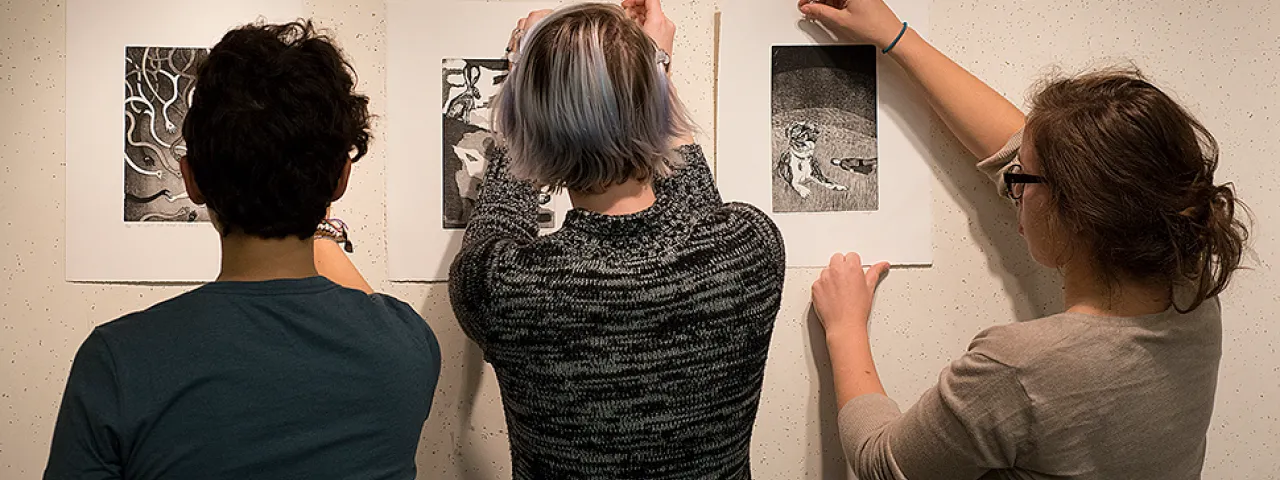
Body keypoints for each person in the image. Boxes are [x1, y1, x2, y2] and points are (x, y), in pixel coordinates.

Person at [800, 1, 1250, 479]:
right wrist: (895, 36)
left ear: (1075, 210)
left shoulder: (1018, 369)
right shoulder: (1192, 288)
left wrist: (844, 329)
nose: (1012, 183)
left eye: (1024, 180)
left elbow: (882, 465)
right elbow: (1023, 149)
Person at [44, 21, 442, 480]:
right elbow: (361, 307)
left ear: (190, 180)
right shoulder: (409, 345)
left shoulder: (118, 363)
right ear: (341, 178)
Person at [447, 1, 785, 478]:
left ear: (527, 126)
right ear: (658, 107)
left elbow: (498, 219)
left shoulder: (502, 286)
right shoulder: (752, 248)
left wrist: (524, 75)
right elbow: (701, 239)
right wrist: (657, 70)